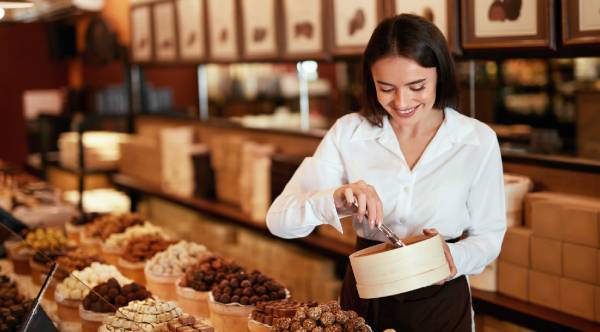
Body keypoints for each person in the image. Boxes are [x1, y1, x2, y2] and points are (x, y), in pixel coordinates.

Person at [266, 14, 506, 332]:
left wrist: (452, 258)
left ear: (440, 76)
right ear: (370, 81)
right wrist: (335, 200)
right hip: (367, 300)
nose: (402, 102)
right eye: (386, 88)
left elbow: (490, 235)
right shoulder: (349, 133)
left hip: (441, 299)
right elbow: (279, 220)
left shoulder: (477, 140)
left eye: (417, 86)